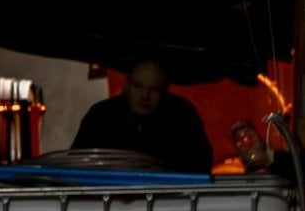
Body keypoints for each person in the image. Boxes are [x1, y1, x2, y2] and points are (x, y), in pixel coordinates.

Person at [70, 58, 215, 173]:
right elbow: (77, 165)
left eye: (154, 89)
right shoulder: (101, 115)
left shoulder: (183, 115)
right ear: (127, 85)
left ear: (164, 90)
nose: (145, 96)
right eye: (138, 86)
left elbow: (200, 166)